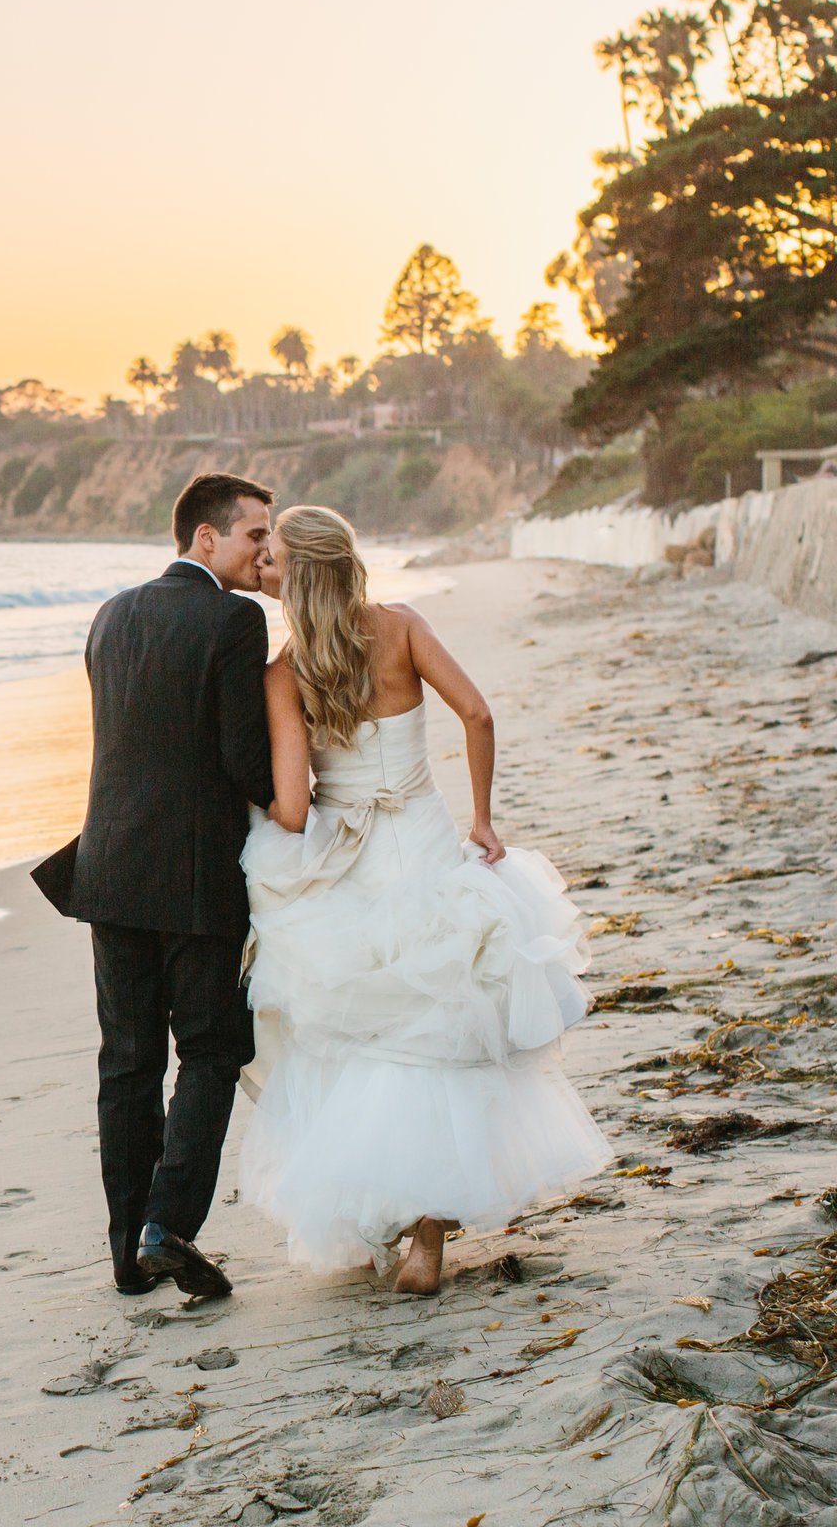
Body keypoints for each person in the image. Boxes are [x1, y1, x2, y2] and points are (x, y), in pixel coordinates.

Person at [238, 505, 608, 1294]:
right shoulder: (402, 628)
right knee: (446, 1031)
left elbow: (296, 811)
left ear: (298, 573)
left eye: (273, 557)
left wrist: (260, 815)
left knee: (365, 1039)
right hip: (431, 850)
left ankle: (382, 1215)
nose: (262, 565)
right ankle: (428, 1236)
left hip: (351, 867)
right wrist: (481, 815)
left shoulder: (284, 670)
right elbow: (477, 712)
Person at [31, 473, 275, 1298]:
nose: (264, 552)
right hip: (197, 874)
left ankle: (127, 1257)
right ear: (205, 537)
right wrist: (304, 799)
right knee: (211, 1048)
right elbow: (243, 757)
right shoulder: (236, 619)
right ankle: (168, 1223)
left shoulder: (111, 615)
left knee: (126, 1062)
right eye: (253, 536)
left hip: (108, 868)